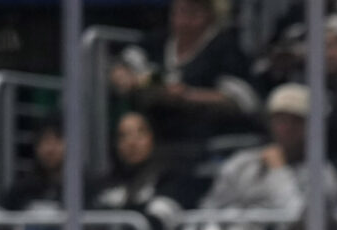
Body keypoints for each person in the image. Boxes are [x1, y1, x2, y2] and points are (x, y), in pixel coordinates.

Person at [111, 0, 262, 144]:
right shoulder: (160, 40)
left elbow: (242, 100)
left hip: (206, 137)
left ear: (210, 15)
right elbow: (126, 61)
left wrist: (188, 96)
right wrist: (124, 76)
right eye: (179, 11)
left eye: (192, 13)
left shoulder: (225, 48)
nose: (183, 20)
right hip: (156, 135)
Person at [203, 83, 315, 216]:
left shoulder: (321, 174)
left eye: (296, 121)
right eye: (281, 120)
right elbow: (210, 211)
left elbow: (299, 218)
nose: (287, 128)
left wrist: (279, 171)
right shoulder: (242, 164)